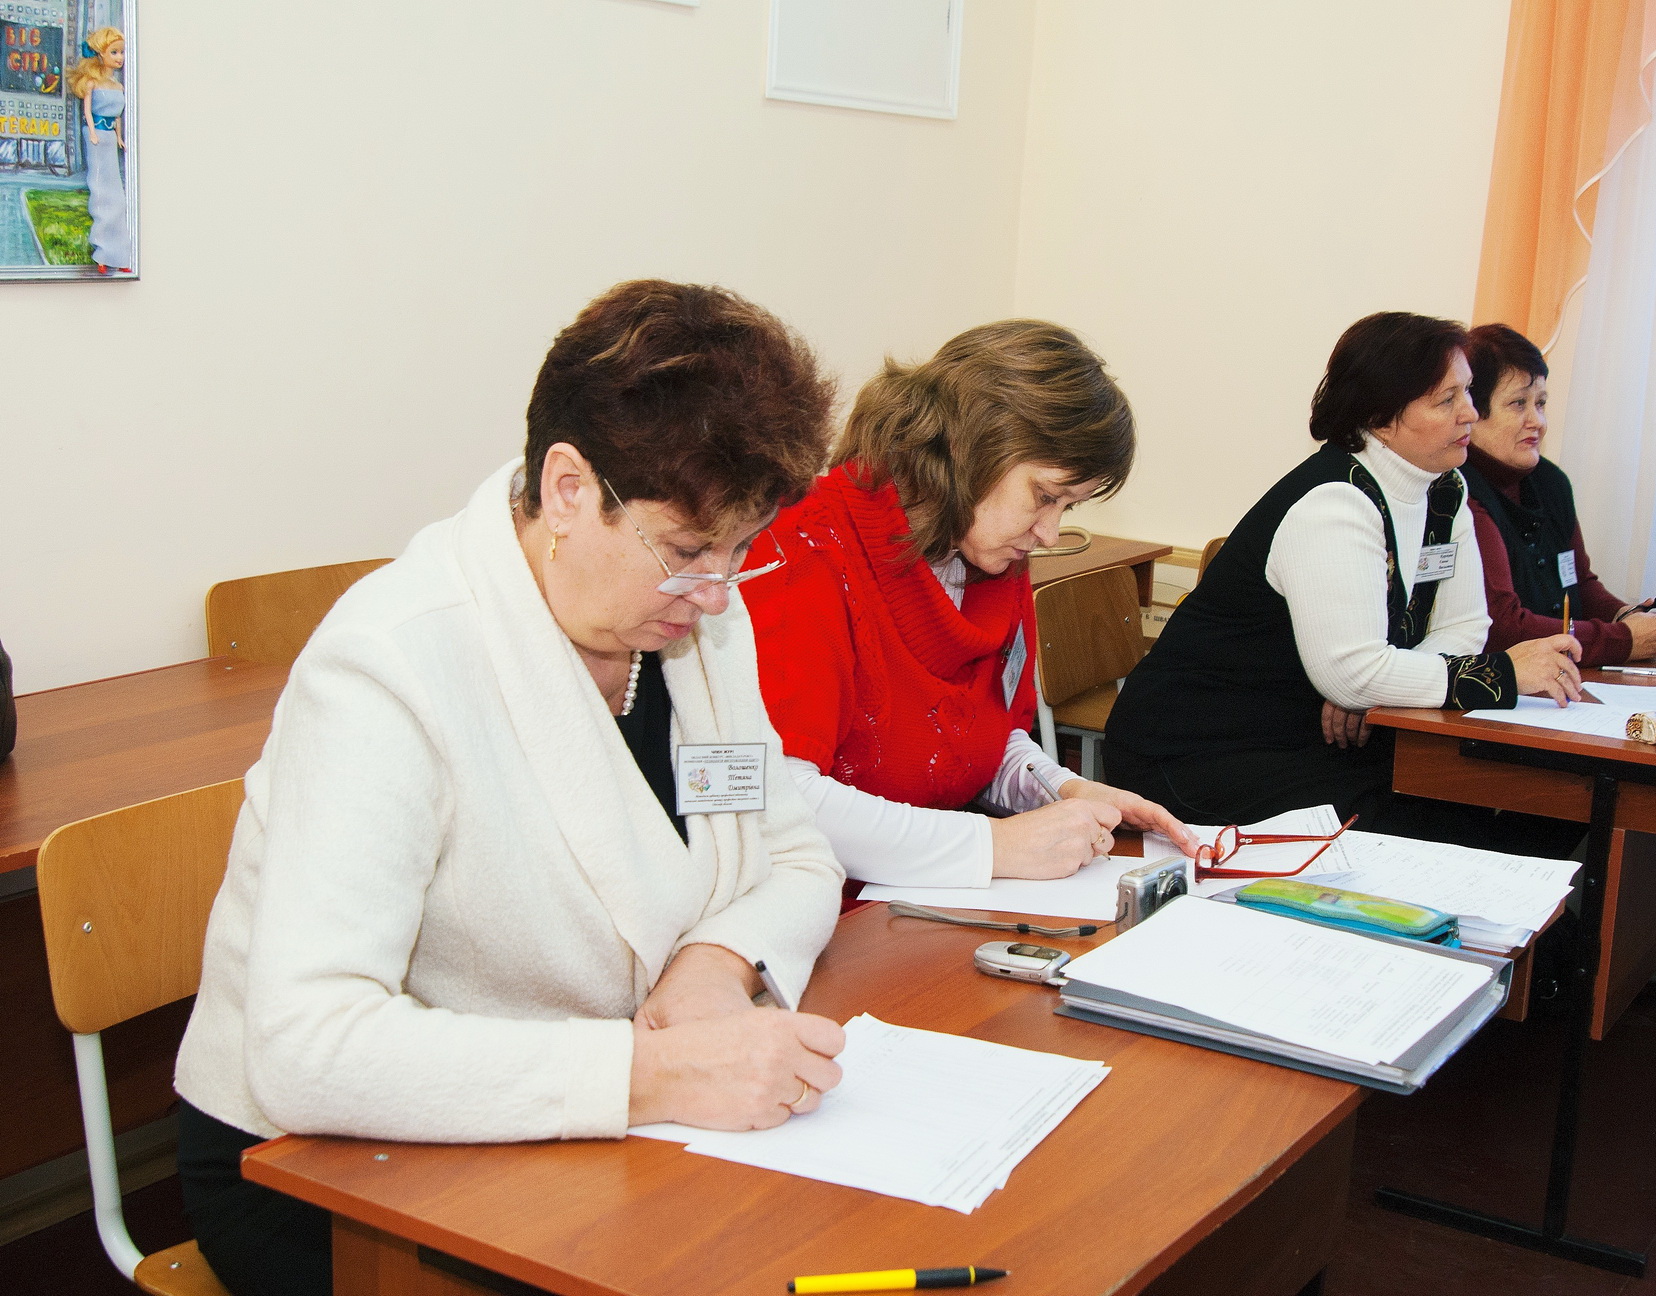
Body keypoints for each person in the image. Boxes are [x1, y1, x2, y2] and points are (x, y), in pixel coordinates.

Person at [172, 281, 848, 1296]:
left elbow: (792, 851)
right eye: (688, 551)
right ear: (568, 488)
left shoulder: (694, 628)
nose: (718, 592)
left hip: (571, 1131)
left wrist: (714, 964)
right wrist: (650, 1075)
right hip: (326, 1175)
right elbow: (308, 1046)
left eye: (741, 550)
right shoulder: (391, 663)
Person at [740, 320, 1201, 890]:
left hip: (917, 899)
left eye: (1068, 508)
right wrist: (991, 846)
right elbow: (775, 797)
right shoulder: (806, 546)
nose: (1049, 534)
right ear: (973, 446)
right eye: (1045, 496)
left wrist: (1062, 789)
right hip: (816, 906)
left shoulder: (992, 557)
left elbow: (978, 740)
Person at [1104, 311, 1582, 833]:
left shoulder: (1446, 488)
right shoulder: (1335, 502)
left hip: (1307, 740)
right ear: (1381, 415)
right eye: (1447, 399)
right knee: (1448, 821)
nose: (1470, 412)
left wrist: (1383, 686)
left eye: (1467, 392)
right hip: (1198, 753)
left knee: (1528, 799)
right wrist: (1501, 675)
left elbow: (1465, 625)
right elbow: (1355, 673)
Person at [1464, 323, 1656, 665]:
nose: (1537, 421)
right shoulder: (1460, 494)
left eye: (1541, 403)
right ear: (1471, 414)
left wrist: (1627, 616)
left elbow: (1579, 586)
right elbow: (1503, 628)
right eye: (1518, 404)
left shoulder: (1550, 481)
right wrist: (1624, 640)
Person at [67, 28, 132, 274]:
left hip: (110, 138)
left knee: (116, 194)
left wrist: (119, 137)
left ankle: (119, 254)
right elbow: (87, 112)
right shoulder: (92, 83)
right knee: (100, 190)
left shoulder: (118, 86)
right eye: (114, 52)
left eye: (121, 52)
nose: (119, 57)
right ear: (100, 54)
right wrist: (93, 133)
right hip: (96, 138)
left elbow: (117, 117)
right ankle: (102, 252)